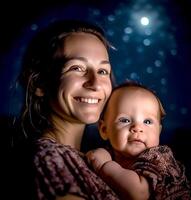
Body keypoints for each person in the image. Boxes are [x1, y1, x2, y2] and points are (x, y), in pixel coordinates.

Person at [12, 19, 120, 200]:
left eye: (102, 71)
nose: (95, 84)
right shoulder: (48, 159)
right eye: (77, 68)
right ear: (40, 83)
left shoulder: (95, 160)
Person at [86, 82, 191, 200]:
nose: (137, 128)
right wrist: (102, 154)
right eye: (125, 120)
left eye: (147, 122)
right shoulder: (109, 153)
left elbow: (139, 193)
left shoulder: (159, 157)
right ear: (104, 130)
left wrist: (104, 165)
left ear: (159, 131)